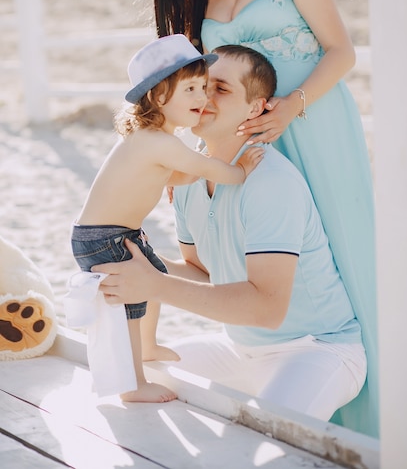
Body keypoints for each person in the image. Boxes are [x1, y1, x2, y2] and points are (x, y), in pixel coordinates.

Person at [147, 0, 378, 437]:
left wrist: (291, 107)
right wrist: (191, 154)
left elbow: (341, 51)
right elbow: (202, 84)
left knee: (344, 252)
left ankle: (366, 413)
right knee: (263, 244)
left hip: (313, 120)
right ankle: (282, 357)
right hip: (245, 135)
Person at [93, 45, 368, 429]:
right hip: (239, 350)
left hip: (317, 350)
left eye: (220, 89)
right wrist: (138, 265)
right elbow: (204, 274)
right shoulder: (187, 178)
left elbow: (266, 308)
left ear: (256, 108)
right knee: (132, 376)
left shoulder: (270, 182)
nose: (204, 97)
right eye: (201, 85)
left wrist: (154, 284)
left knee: (269, 438)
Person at [71, 34, 263, 403]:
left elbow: (179, 173)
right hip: (105, 237)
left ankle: (148, 347)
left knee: (153, 280)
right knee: (130, 306)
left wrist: (179, 176)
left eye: (204, 87)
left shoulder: (150, 137)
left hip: (114, 233)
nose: (202, 98)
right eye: (190, 88)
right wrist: (239, 170)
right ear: (159, 96)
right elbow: (205, 167)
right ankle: (132, 384)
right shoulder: (161, 142)